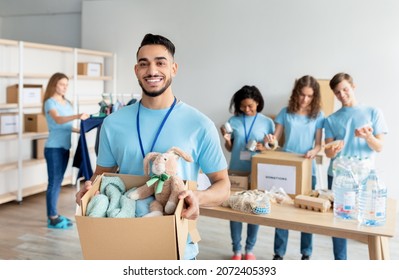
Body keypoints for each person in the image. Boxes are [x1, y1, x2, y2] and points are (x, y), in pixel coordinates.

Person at [75, 33, 230, 259]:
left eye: (160, 62)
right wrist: (88, 191)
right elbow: (102, 178)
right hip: (120, 244)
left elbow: (223, 184)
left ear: (174, 69)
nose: (152, 70)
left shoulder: (200, 125)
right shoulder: (112, 124)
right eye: (144, 64)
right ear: (136, 70)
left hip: (176, 248)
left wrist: (198, 197)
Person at [324, 72, 388, 260]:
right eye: (337, 92)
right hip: (338, 176)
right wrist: (333, 150)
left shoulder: (373, 112)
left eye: (345, 89)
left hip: (365, 177)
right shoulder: (331, 119)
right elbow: (327, 152)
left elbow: (380, 147)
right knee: (338, 223)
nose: (342, 94)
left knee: (369, 221)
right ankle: (340, 262)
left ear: (353, 86)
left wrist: (368, 136)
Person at [264, 75, 324, 260]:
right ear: (296, 93)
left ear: (314, 97)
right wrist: (270, 141)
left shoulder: (319, 115)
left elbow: (318, 144)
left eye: (309, 96)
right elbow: (274, 141)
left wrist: (314, 151)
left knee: (307, 212)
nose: (305, 99)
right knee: (283, 212)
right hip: (286, 167)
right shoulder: (285, 112)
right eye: (302, 95)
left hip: (308, 167)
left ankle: (306, 253)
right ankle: (279, 253)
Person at [221, 85, 275, 260]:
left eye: (250, 106)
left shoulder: (267, 122)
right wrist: (227, 140)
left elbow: (272, 148)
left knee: (255, 209)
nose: (247, 109)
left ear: (258, 103)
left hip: (257, 172)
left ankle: (249, 249)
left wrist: (264, 147)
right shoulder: (234, 121)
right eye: (243, 106)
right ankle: (236, 250)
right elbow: (230, 148)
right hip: (236, 170)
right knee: (235, 210)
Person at [43, 72, 89, 229]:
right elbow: (58, 120)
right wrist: (77, 115)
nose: (64, 87)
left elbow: (67, 126)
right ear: (54, 84)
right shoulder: (50, 103)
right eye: (62, 84)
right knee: (54, 183)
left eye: (66, 85)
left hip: (64, 148)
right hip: (53, 148)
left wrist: (83, 129)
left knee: (58, 182)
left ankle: (54, 214)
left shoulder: (67, 103)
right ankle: (52, 217)